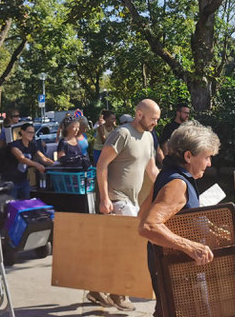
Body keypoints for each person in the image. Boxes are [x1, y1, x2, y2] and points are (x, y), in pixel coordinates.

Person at [138, 121, 220, 316]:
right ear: (188, 156)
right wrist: (191, 246)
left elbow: (142, 213)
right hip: (175, 269)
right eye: (207, 157)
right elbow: (147, 226)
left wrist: (202, 226)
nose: (209, 164)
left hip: (166, 265)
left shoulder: (167, 175)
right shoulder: (177, 183)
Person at [91, 99, 161, 311]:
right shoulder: (122, 134)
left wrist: (169, 189)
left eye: (157, 120)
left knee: (117, 249)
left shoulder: (149, 137)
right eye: (153, 119)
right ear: (139, 114)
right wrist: (104, 198)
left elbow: (152, 171)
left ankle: (97, 288)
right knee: (129, 248)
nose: (155, 123)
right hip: (116, 200)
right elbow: (101, 165)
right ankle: (119, 293)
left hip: (132, 201)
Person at [5, 123, 54, 199]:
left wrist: (55, 164)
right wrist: (37, 165)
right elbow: (22, 159)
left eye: (33, 132)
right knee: (12, 205)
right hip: (11, 181)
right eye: (29, 132)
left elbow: (44, 159)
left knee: (27, 203)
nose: (32, 134)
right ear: (22, 132)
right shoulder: (14, 145)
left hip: (23, 181)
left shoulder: (32, 146)